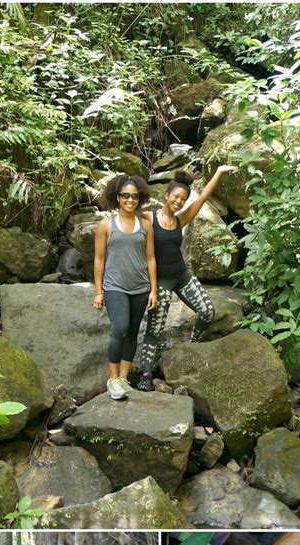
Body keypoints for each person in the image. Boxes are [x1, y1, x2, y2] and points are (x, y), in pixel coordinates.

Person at [137, 164, 237, 391]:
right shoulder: (147, 217)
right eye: (176, 197)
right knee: (155, 329)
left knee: (207, 311)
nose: (179, 202)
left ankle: (192, 344)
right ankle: (145, 374)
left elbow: (202, 199)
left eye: (183, 199)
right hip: (160, 281)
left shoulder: (181, 219)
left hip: (181, 275)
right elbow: (127, 213)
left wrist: (219, 172)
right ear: (166, 195)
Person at [94, 174, 157, 399]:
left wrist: (154, 290)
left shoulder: (147, 226)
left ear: (140, 198)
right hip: (115, 287)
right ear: (117, 197)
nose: (130, 200)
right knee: (119, 328)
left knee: (132, 333)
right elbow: (99, 259)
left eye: (134, 196)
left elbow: (151, 258)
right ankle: (112, 380)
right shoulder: (105, 225)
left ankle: (123, 378)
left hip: (140, 287)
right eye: (125, 195)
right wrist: (99, 291)